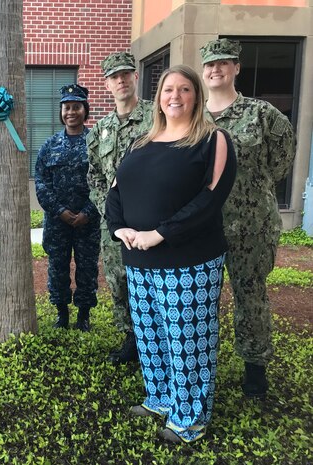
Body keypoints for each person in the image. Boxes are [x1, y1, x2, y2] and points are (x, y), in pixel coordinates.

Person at [105, 64, 237, 443]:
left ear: (196, 96)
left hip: (189, 261)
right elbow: (116, 192)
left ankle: (191, 420)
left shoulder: (214, 140)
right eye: (167, 90)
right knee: (150, 335)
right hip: (139, 258)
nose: (175, 97)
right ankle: (161, 398)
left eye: (184, 90)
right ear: (158, 98)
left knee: (187, 341)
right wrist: (120, 228)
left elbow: (210, 199)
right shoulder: (140, 143)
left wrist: (161, 233)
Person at [200, 38, 296, 399]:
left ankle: (255, 368)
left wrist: (252, 190)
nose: (216, 69)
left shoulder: (262, 113)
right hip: (202, 226)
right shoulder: (194, 116)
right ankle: (201, 365)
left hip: (251, 227)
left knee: (250, 296)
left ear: (237, 68)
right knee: (200, 300)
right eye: (210, 64)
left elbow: (282, 159)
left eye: (224, 63)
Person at [87, 52, 153, 361]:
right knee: (119, 280)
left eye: (126, 73)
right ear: (107, 84)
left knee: (153, 280)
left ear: (136, 77)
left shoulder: (158, 117)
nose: (121, 80)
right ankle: (131, 340)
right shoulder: (100, 130)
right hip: (114, 223)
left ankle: (156, 341)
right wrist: (110, 212)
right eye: (114, 77)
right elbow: (95, 175)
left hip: (153, 218)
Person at [35, 84, 100, 331]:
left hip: (88, 220)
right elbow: (41, 183)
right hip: (57, 221)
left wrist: (88, 212)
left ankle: (83, 316)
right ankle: (61, 314)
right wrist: (59, 211)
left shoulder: (96, 142)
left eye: (76, 107)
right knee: (57, 268)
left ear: (85, 110)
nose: (71, 112)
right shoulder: (49, 146)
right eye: (66, 107)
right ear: (61, 112)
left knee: (87, 268)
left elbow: (105, 179)